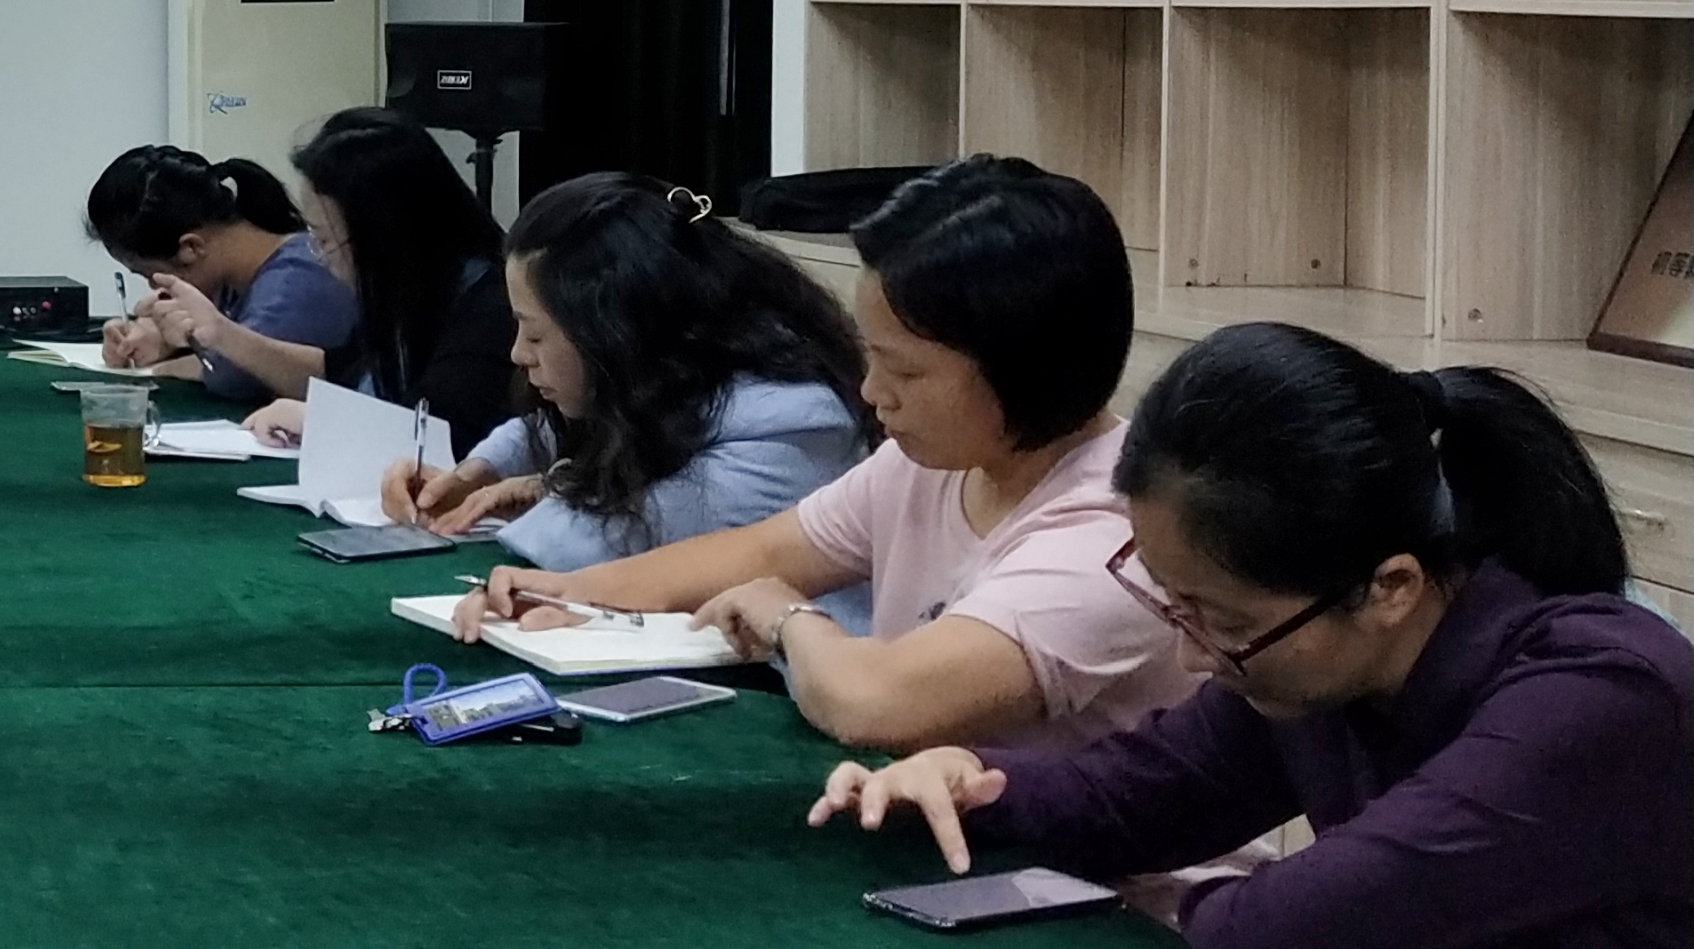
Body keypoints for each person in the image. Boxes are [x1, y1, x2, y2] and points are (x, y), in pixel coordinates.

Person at [812, 324, 1694, 949]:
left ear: (1390, 587)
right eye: (1174, 603)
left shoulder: (1600, 698)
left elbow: (1281, 935)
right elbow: (1142, 795)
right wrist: (970, 778)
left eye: (1222, 622)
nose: (1197, 657)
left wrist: (1184, 902)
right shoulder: (1323, 656)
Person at [448, 157, 1195, 750]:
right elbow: (756, 552)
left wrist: (787, 616)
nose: (871, 391)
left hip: (1100, 888)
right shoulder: (938, 460)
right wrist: (567, 593)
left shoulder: (1108, 537)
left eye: (904, 371)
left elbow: (879, 702)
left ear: (1024, 367)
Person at [383, 173, 868, 571]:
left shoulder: (790, 427)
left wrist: (555, 488)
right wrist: (477, 472)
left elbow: (586, 543)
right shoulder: (679, 367)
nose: (518, 354)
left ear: (614, 333)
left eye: (536, 335)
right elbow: (551, 427)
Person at [240, 108, 518, 455]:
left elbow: (440, 437)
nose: (320, 256)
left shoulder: (490, 311)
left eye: (323, 239)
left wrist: (325, 423)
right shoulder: (408, 296)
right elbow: (344, 374)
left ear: (380, 236)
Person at [85, 145, 359, 408]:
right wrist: (159, 338)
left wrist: (172, 361)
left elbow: (234, 377)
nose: (154, 288)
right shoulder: (230, 280)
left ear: (191, 248)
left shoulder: (297, 282)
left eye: (151, 274)